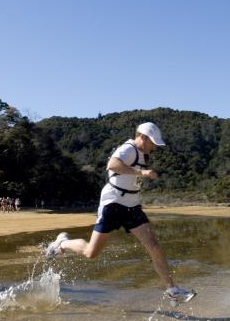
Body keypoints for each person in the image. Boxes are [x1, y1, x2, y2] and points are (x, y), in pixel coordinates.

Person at [46, 122, 195, 303]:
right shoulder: (129, 149)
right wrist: (143, 172)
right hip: (113, 204)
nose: (155, 147)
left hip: (132, 206)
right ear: (142, 137)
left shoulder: (141, 153)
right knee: (90, 253)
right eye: (153, 142)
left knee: (153, 245)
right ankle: (62, 244)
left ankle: (172, 290)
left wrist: (141, 173)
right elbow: (113, 164)